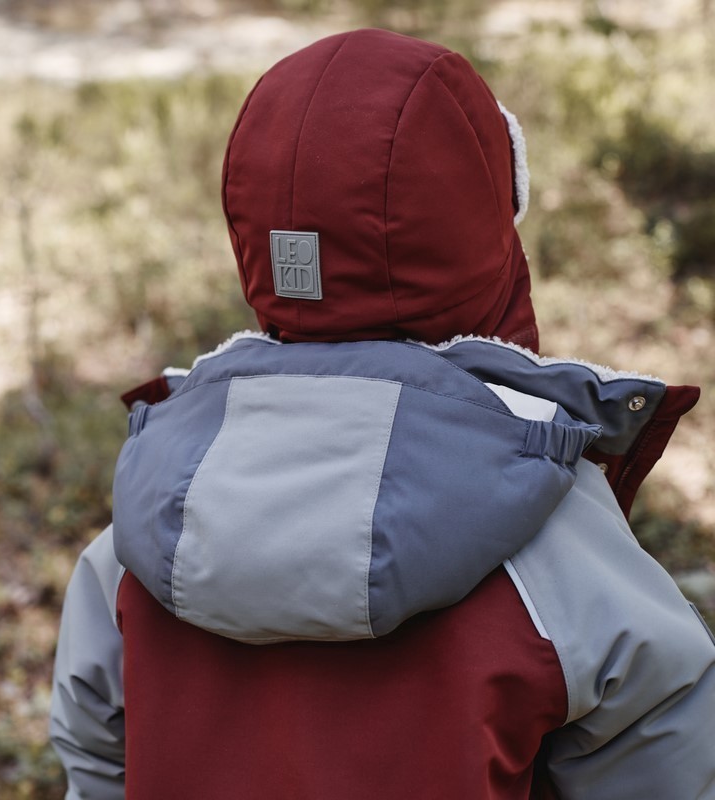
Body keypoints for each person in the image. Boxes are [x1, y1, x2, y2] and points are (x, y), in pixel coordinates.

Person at [50, 28, 715, 799]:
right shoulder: (554, 537)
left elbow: (96, 762)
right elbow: (667, 766)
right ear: (484, 232)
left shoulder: (144, 525)